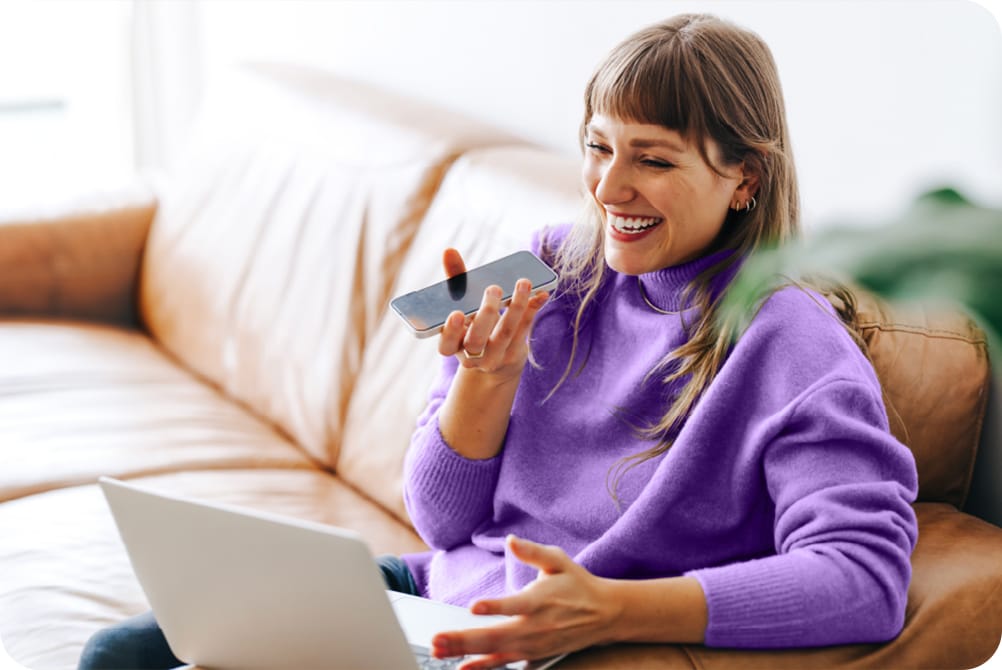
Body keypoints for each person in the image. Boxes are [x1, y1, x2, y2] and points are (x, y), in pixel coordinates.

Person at [78, 13, 918, 670]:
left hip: (525, 639)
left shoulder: (792, 343)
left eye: (654, 161)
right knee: (118, 653)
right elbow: (440, 522)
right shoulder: (548, 262)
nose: (610, 187)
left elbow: (864, 578)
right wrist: (486, 381)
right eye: (598, 147)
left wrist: (615, 609)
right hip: (433, 593)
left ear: (747, 178)